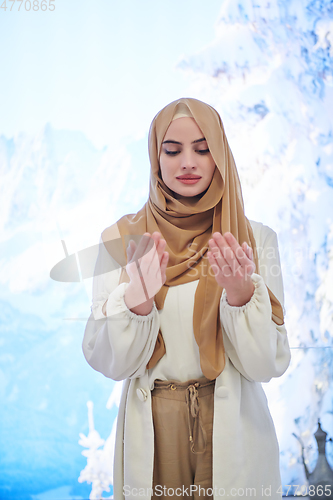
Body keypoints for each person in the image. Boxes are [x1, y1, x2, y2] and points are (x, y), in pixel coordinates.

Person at [82, 97, 291, 500]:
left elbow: (268, 363)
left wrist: (241, 295)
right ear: (155, 159)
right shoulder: (121, 243)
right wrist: (138, 300)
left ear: (220, 156)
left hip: (232, 428)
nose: (188, 162)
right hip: (155, 433)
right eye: (172, 150)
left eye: (202, 147)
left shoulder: (254, 241)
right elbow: (108, 362)